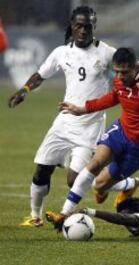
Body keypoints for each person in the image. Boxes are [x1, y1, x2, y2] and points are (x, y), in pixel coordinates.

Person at [45, 47, 139, 230]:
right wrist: (82, 109)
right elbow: (115, 96)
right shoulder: (120, 79)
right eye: (117, 72)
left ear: (135, 68)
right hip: (120, 132)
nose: (120, 77)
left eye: (124, 72)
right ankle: (64, 214)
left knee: (99, 185)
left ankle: (129, 184)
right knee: (94, 165)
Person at [8, 6, 116, 227]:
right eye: (79, 26)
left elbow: (130, 71)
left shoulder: (106, 53)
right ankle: (35, 216)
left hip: (90, 127)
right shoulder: (61, 52)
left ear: (94, 26)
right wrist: (23, 91)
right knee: (41, 170)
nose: (83, 31)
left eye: (88, 26)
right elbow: (40, 75)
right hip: (64, 123)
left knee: (74, 180)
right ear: (72, 25)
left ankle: (122, 185)